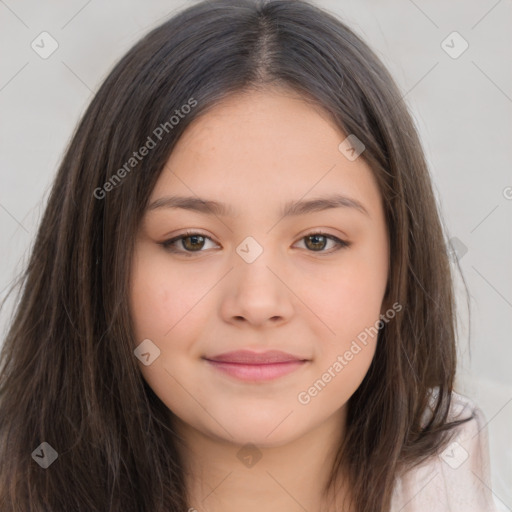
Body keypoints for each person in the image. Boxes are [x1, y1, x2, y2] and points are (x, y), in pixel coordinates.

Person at [0, 0, 499, 511]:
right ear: (99, 262)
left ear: (398, 267)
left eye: (317, 241)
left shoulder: (462, 478)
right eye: (193, 241)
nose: (257, 303)